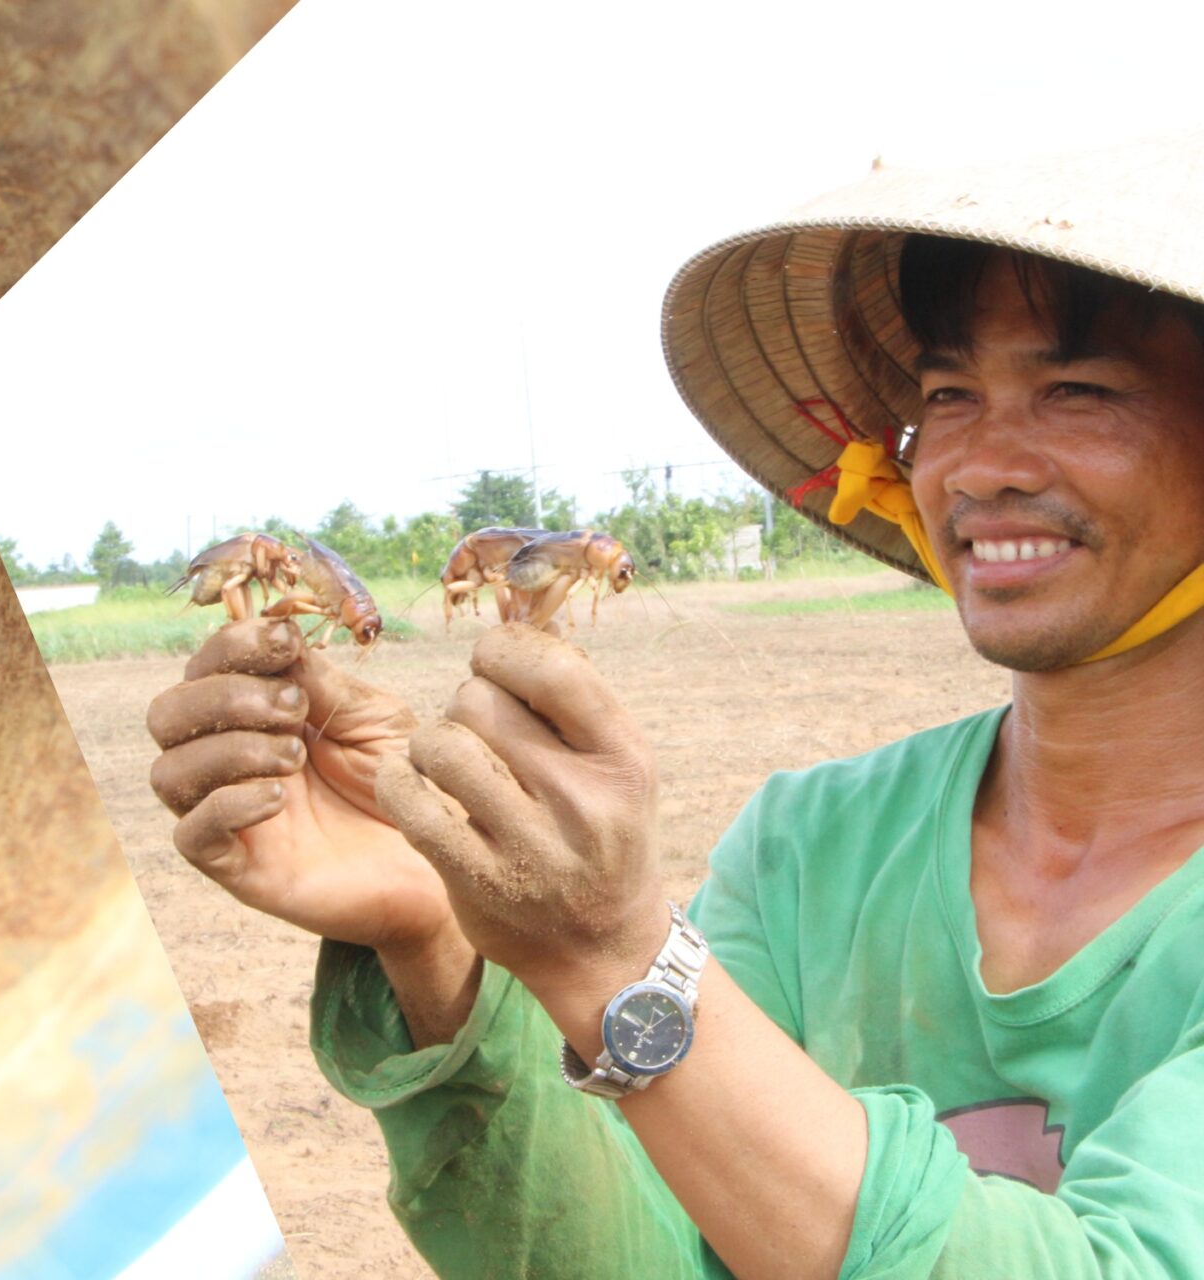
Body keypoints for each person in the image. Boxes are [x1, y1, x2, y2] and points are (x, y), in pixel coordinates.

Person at [146, 135, 1204, 1277]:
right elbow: (642, 1254)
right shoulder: (813, 845)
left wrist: (615, 959)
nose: (980, 462)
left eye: (1079, 390)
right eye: (947, 394)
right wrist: (435, 932)